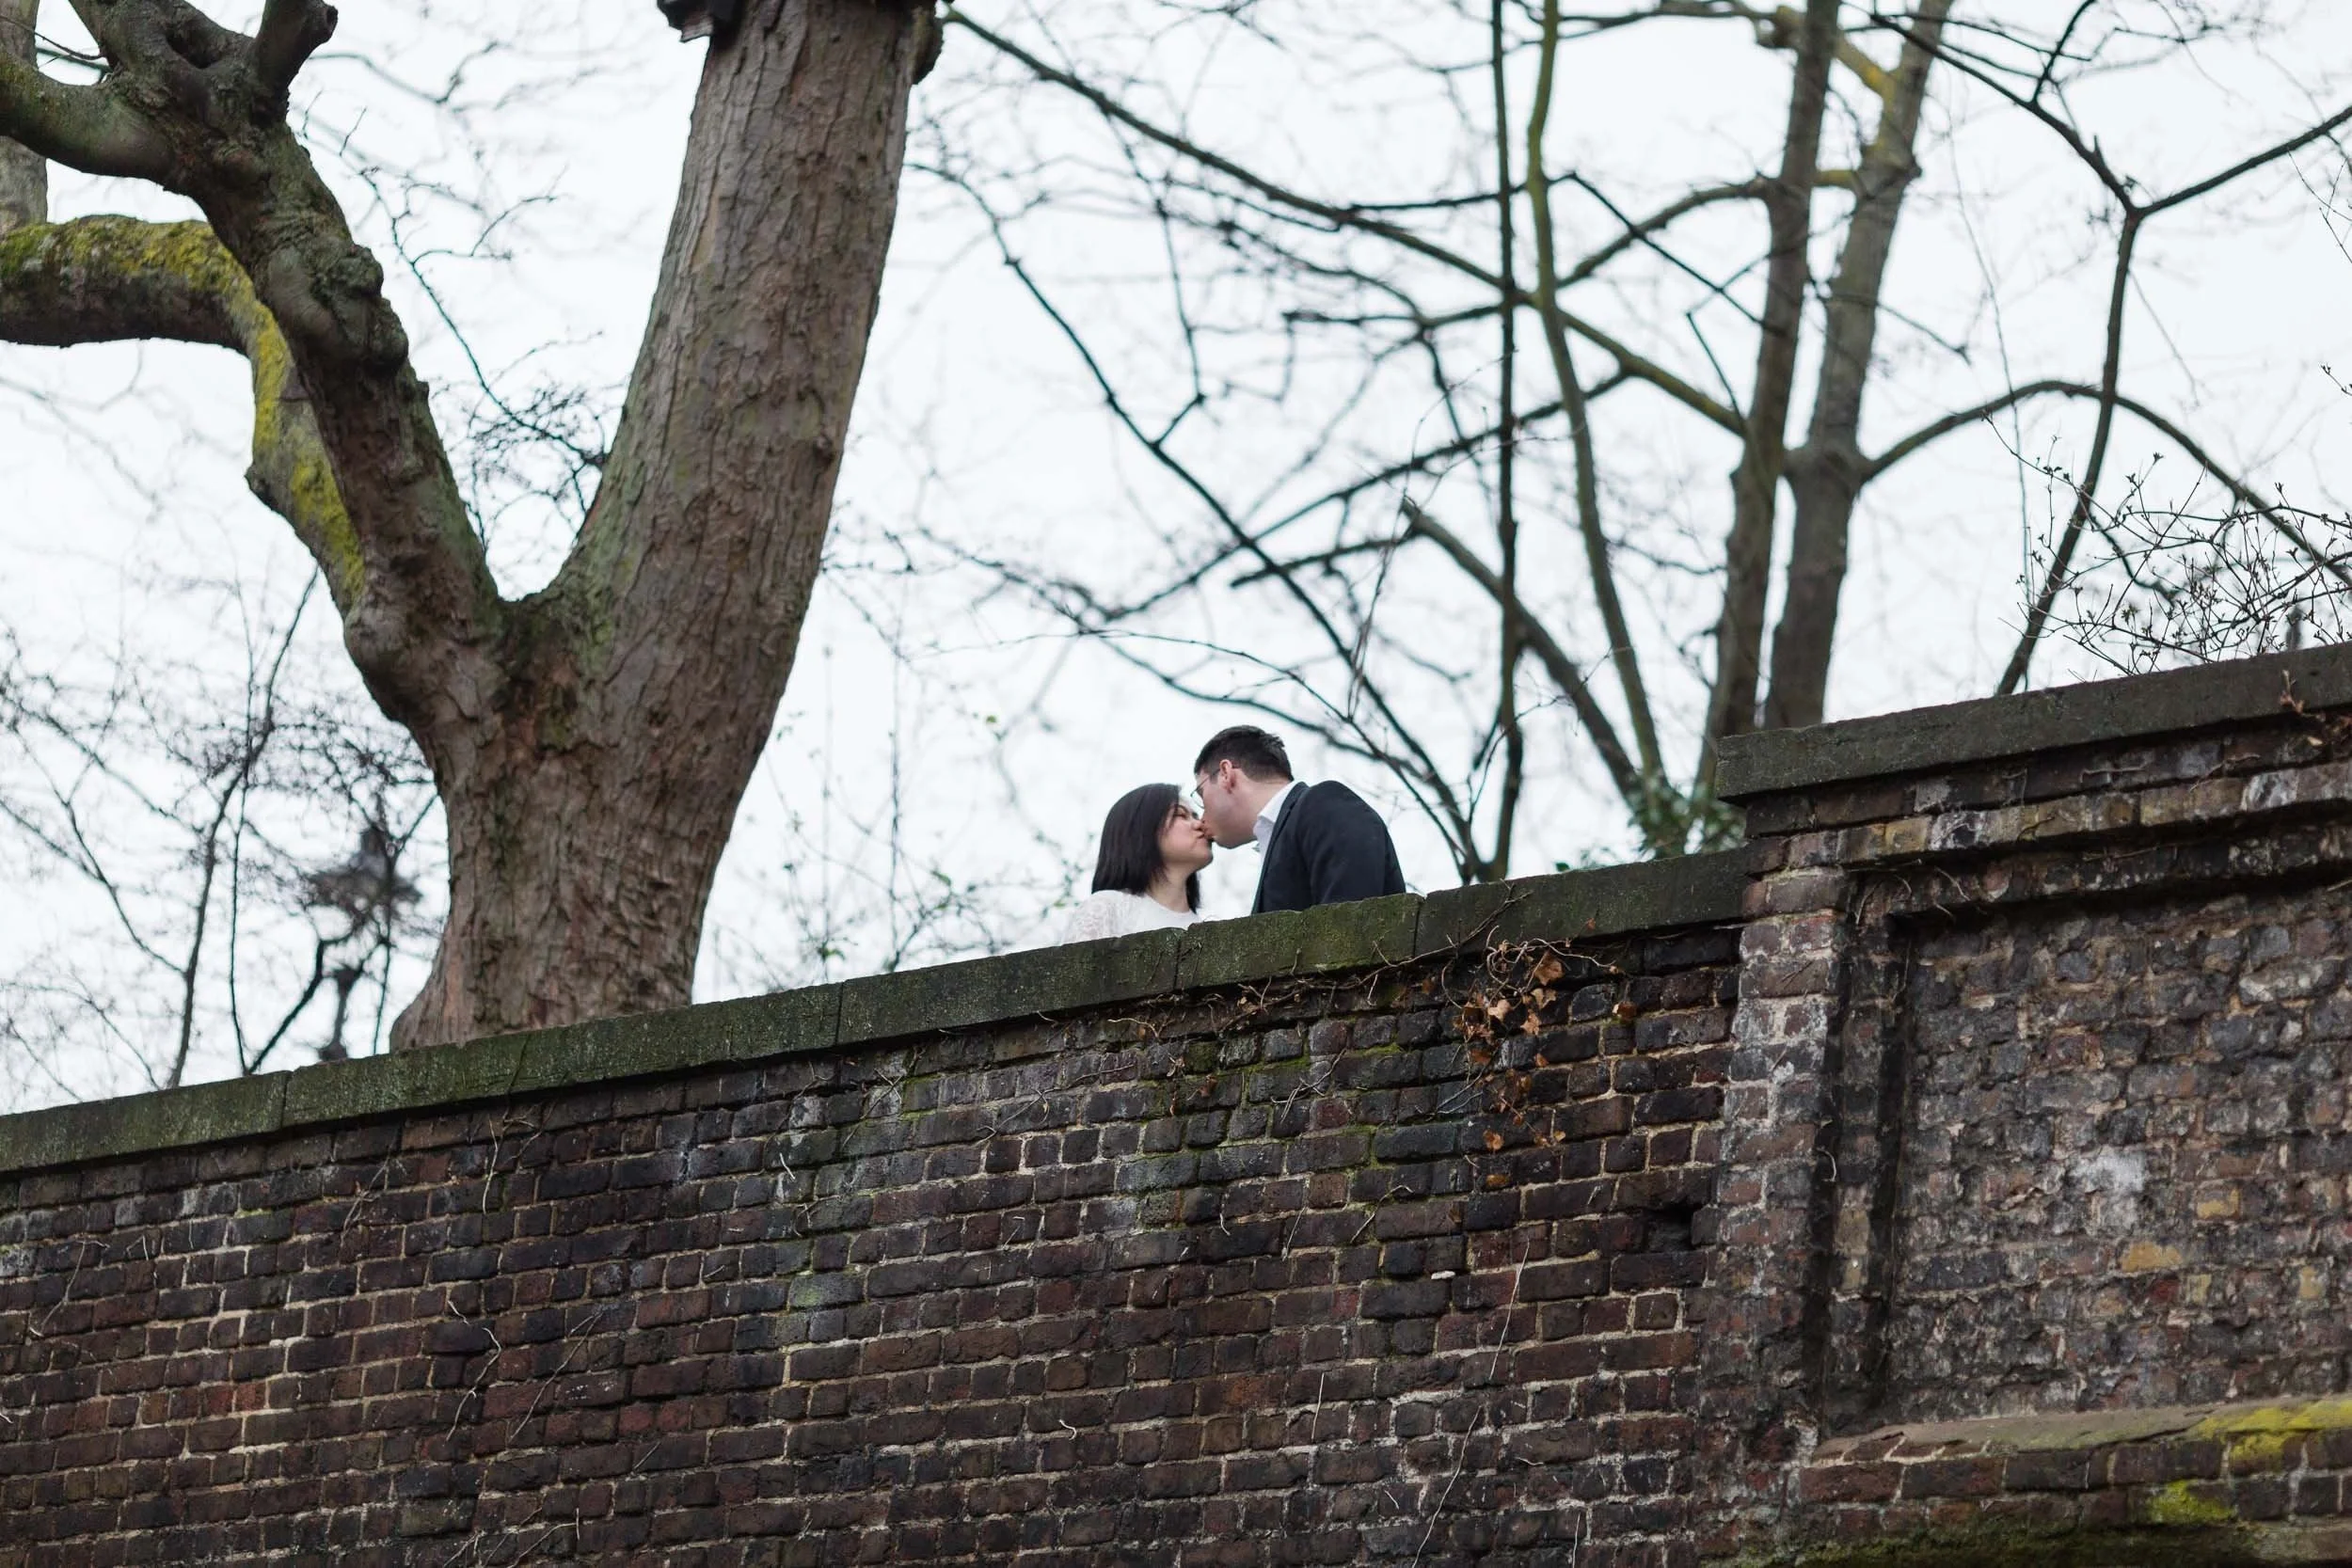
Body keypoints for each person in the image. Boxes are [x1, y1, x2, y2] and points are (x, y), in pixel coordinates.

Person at [1192, 725, 1406, 914]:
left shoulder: (1324, 803)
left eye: (1201, 796)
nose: (1201, 819)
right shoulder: (1287, 831)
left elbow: (1351, 924)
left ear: (1225, 773)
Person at [1055, 784, 1216, 942]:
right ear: (1142, 829)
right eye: (1181, 815)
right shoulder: (1106, 908)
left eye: (1195, 816)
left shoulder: (1210, 932)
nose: (1199, 824)